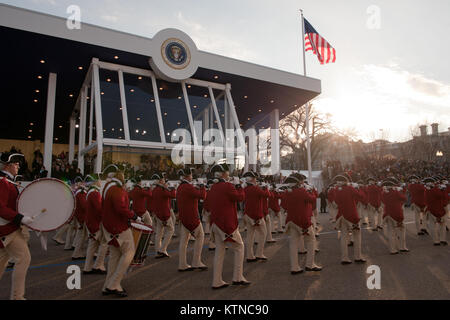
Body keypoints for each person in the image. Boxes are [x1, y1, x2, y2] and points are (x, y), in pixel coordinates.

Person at [208, 164, 249, 289]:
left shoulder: (213, 187)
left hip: (216, 222)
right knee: (239, 247)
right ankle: (237, 277)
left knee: (219, 252)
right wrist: (239, 186)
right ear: (223, 174)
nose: (228, 174)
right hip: (226, 224)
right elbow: (240, 197)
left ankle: (216, 280)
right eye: (227, 172)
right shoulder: (227, 186)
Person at [0, 152, 33, 300]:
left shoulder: (8, 181)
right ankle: (17, 297)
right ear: (7, 165)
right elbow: (1, 208)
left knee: (18, 259)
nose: (18, 166)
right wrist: (20, 218)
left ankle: (17, 296)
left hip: (9, 228)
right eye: (15, 163)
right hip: (6, 229)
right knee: (23, 258)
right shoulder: (3, 182)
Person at [101, 171, 139, 297]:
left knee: (114, 256)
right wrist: (133, 216)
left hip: (108, 226)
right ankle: (114, 284)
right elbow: (121, 208)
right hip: (118, 226)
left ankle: (107, 284)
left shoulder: (107, 187)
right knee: (129, 252)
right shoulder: (117, 190)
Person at [284, 174, 321, 274]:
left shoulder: (287, 192)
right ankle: (310, 264)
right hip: (302, 220)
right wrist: (311, 190)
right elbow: (313, 199)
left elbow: (284, 205)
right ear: (298, 183)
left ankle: (294, 267)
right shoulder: (301, 191)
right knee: (311, 241)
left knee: (293, 244)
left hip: (291, 220)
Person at [176, 168, 207, 271]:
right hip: (191, 217)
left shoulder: (180, 187)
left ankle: (182, 264)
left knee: (183, 241)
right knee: (200, 236)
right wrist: (202, 185)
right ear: (187, 176)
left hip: (184, 217)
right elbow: (202, 196)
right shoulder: (188, 187)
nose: (192, 177)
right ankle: (196, 261)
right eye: (190, 175)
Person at [333, 175, 366, 265]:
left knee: (344, 237)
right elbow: (361, 197)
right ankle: (357, 257)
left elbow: (336, 201)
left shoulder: (336, 189)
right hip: (351, 215)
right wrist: (358, 188)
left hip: (341, 215)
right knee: (357, 236)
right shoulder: (350, 188)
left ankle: (344, 258)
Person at [242, 171, 270, 262]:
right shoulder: (255, 188)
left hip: (247, 213)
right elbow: (267, 195)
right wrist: (265, 188)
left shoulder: (245, 189)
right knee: (263, 233)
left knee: (250, 235)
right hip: (256, 214)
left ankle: (249, 256)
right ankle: (259, 253)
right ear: (253, 179)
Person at [83, 175, 108, 274]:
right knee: (104, 243)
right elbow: (99, 209)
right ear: (95, 181)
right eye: (98, 180)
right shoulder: (95, 193)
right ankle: (98, 265)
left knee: (92, 245)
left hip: (91, 221)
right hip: (95, 222)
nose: (100, 182)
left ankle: (87, 267)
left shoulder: (90, 192)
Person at [151, 173, 176, 258]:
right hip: (164, 214)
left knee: (159, 233)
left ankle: (157, 251)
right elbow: (173, 195)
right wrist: (172, 188)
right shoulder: (162, 190)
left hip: (158, 214)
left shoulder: (154, 190)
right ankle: (162, 249)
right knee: (170, 230)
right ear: (160, 181)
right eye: (163, 179)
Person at [381, 180, 409, 254]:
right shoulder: (395, 192)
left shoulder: (383, 193)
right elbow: (404, 198)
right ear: (392, 186)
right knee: (401, 231)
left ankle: (392, 249)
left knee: (391, 232)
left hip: (388, 214)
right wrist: (400, 191)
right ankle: (402, 247)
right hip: (396, 213)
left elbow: (383, 201)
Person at [424, 178, 448, 246]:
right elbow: (443, 196)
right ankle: (442, 239)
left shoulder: (426, 190)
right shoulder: (436, 189)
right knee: (442, 225)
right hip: (440, 208)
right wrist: (442, 190)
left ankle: (436, 241)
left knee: (432, 226)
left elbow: (426, 200)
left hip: (431, 209)